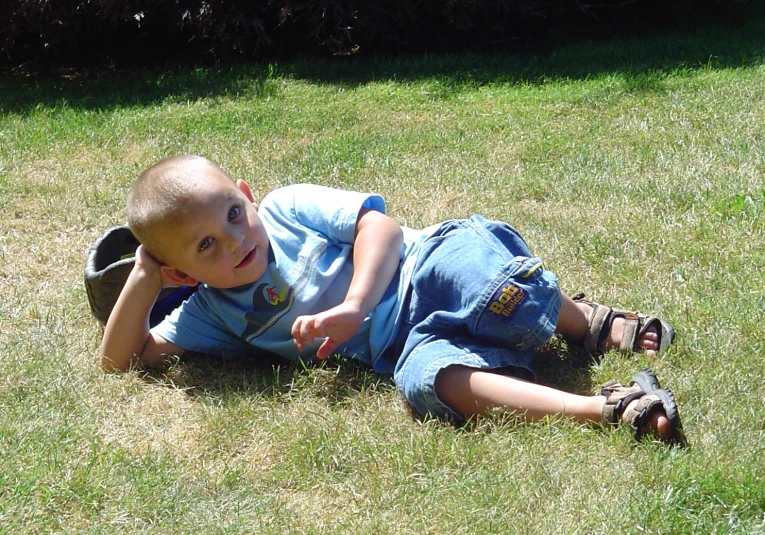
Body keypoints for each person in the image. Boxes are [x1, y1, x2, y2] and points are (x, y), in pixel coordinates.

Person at [98, 155, 686, 446]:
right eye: (207, 245)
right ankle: (603, 409)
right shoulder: (214, 315)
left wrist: (355, 304)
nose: (235, 239)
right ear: (182, 270)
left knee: (478, 276)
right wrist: (145, 277)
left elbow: (377, 227)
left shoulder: (284, 207)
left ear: (247, 194)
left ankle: (584, 320)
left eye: (233, 213)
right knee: (427, 383)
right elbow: (122, 362)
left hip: (422, 267)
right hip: (409, 343)